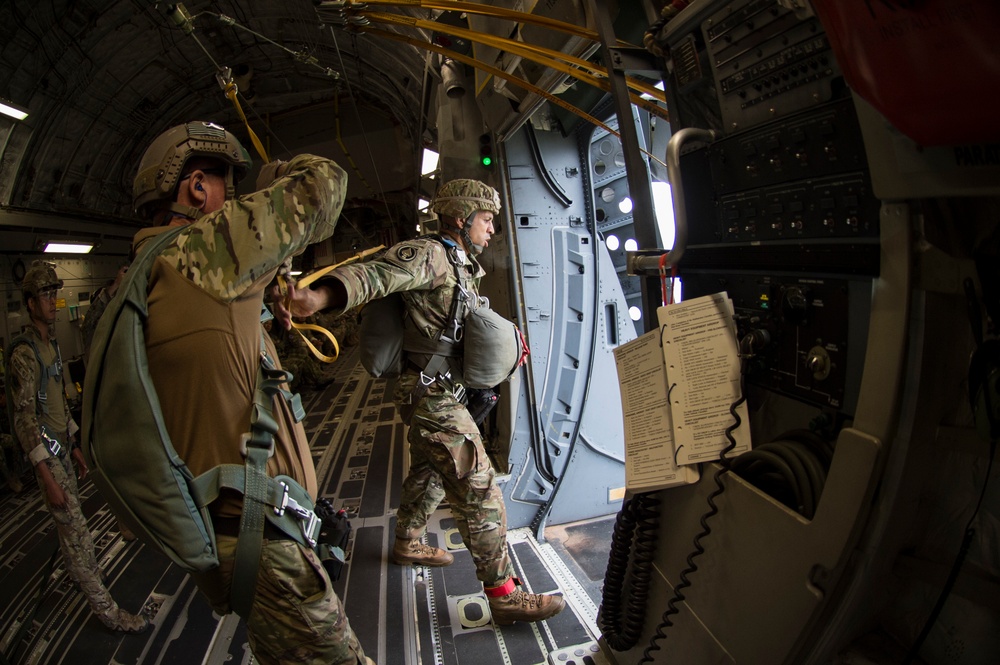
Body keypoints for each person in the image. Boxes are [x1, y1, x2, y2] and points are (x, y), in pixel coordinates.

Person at [272, 178, 566, 625]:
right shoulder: (430, 255)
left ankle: (407, 541)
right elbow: (375, 273)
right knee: (480, 489)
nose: (492, 230)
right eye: (486, 220)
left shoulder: (464, 265)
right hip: (430, 394)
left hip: (443, 390)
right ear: (460, 219)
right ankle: (504, 594)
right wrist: (317, 297)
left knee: (429, 474)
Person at [130, 121, 370, 665]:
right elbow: (326, 185)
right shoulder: (202, 249)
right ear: (196, 188)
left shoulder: (149, 275)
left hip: (232, 535)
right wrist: (274, 176)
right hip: (262, 538)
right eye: (227, 187)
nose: (235, 200)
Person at [4, 260, 148, 633]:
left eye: (55, 293)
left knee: (74, 534)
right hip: (47, 459)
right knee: (79, 537)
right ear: (30, 303)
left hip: (62, 449)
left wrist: (74, 441)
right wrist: (47, 476)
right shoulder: (24, 354)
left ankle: (79, 567)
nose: (53, 300)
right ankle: (109, 613)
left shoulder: (48, 344)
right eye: (45, 295)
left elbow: (54, 403)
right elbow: (25, 420)